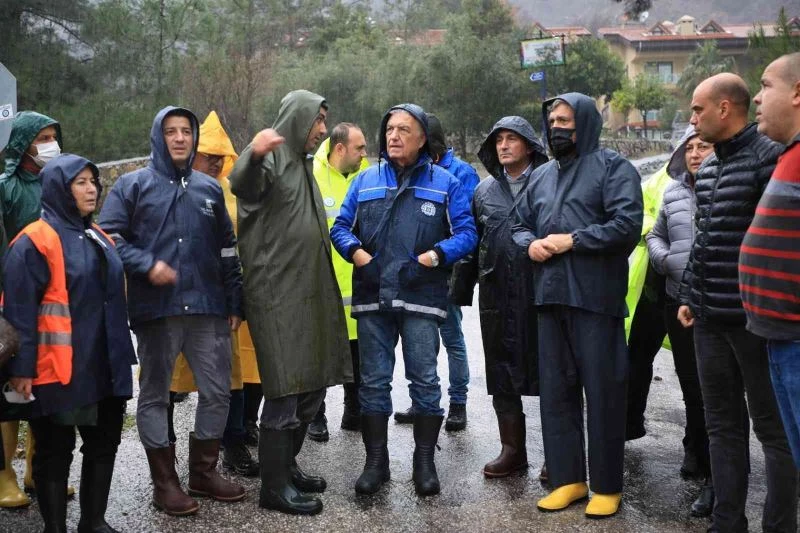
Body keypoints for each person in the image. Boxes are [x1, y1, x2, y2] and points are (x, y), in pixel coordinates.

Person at [99, 106, 245, 516]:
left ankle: (203, 472)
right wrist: (147, 265)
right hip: (156, 310)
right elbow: (108, 239)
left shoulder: (209, 189)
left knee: (218, 391)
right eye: (171, 131)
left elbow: (227, 248)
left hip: (207, 309)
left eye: (186, 131)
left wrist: (235, 299)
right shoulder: (132, 186)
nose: (180, 138)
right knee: (156, 394)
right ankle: (164, 482)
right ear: (157, 137)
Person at [331, 103, 477, 497]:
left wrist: (435, 256)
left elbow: (467, 233)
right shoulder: (364, 181)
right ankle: (375, 463)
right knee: (374, 382)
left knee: (425, 381)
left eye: (404, 130)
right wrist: (357, 254)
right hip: (373, 296)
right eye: (390, 129)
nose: (393, 136)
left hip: (422, 296)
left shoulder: (446, 182)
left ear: (423, 138)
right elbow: (340, 227)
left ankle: (424, 462)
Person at [513, 93, 643, 519]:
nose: (556, 127)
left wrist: (575, 240)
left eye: (565, 119)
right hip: (550, 299)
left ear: (584, 123)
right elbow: (516, 224)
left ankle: (607, 485)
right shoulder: (541, 175)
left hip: (595, 300)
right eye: (551, 120)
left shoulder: (613, 167)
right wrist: (529, 244)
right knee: (556, 393)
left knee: (604, 394)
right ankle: (569, 479)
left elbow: (626, 225)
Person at [679, 72, 797, 533]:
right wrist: (690, 293)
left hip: (756, 324)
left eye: (697, 109)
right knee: (722, 424)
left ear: (724, 108)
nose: (693, 119)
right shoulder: (707, 169)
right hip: (709, 320)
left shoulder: (771, 159)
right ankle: (728, 522)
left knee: (773, 431)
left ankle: (779, 524)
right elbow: (703, 242)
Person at [228, 90, 352, 516]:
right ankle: (273, 488)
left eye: (323, 122)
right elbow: (241, 184)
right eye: (317, 121)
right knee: (284, 390)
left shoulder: (301, 165)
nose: (322, 129)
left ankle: (285, 466)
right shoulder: (270, 160)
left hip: (308, 295)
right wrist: (253, 152)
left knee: (311, 387)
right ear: (299, 119)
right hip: (277, 297)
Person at [3, 154, 136, 533]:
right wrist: (22, 370)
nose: (92, 187)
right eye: (80, 182)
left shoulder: (100, 236)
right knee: (54, 452)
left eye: (94, 180)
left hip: (105, 366)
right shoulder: (33, 241)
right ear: (60, 189)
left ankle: (94, 522)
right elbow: (18, 312)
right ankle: (55, 528)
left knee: (104, 443)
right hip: (58, 371)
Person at [450, 116, 547, 478]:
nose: (503, 145)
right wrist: (459, 290)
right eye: (498, 140)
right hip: (497, 296)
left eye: (512, 139)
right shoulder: (483, 192)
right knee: (502, 375)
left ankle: (558, 452)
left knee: (550, 373)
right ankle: (513, 451)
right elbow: (472, 245)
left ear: (529, 144)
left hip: (541, 294)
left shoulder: (549, 182)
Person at [165, 111, 258, 477]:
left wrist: (235, 299)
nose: (216, 163)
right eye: (209, 156)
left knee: (227, 380)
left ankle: (230, 446)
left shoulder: (232, 196)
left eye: (221, 157)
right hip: (174, 304)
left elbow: (233, 252)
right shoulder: (162, 188)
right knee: (167, 384)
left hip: (219, 304)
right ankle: (166, 459)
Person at [0, 110, 71, 509]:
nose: (50, 143)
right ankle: (3, 474)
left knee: (48, 388)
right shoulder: (6, 187)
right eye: (42, 136)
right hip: (10, 301)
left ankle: (39, 469)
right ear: (24, 142)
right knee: (7, 393)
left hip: (54, 302)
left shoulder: (58, 181)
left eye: (53, 136)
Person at [393, 113, 479, 432]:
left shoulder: (462, 173)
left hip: (448, 269)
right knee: (418, 340)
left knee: (452, 337)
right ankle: (423, 401)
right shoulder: (409, 170)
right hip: (415, 273)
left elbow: (468, 228)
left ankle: (458, 403)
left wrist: (442, 255)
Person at [645, 126, 714, 517]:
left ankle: (715, 475)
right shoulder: (672, 193)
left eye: (702, 146)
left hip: (717, 307)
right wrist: (665, 260)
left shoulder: (726, 189)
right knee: (691, 385)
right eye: (689, 148)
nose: (694, 153)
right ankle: (697, 452)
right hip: (676, 302)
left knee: (717, 393)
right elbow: (655, 234)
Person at [741, 52, 800, 469]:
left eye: (765, 86)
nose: (757, 99)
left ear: (797, 93)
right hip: (779, 338)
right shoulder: (789, 155)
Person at [306, 122, 370, 441]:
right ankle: (315, 416)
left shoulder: (367, 177)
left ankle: (353, 410)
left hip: (359, 284)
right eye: (359, 147)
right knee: (318, 355)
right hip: (321, 285)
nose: (364, 153)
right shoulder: (311, 176)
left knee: (357, 355)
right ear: (340, 148)